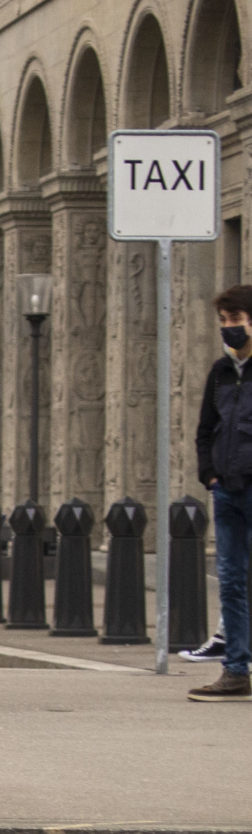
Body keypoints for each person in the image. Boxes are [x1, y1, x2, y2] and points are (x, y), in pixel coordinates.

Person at [189, 285, 252, 702]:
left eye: (236, 320)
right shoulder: (220, 372)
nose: (229, 328)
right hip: (226, 490)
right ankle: (235, 670)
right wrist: (208, 473)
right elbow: (205, 429)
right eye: (224, 322)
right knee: (230, 581)